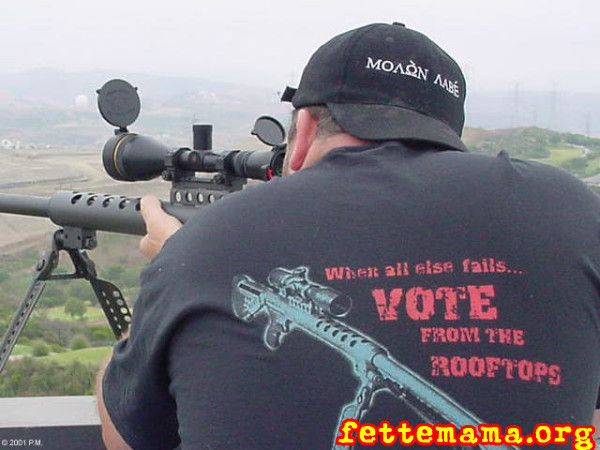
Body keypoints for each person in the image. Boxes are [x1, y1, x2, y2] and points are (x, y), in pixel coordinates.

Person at [97, 23, 600, 449]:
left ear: (303, 131)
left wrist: (176, 262)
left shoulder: (205, 242)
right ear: (447, 134)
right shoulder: (572, 210)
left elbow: (127, 436)